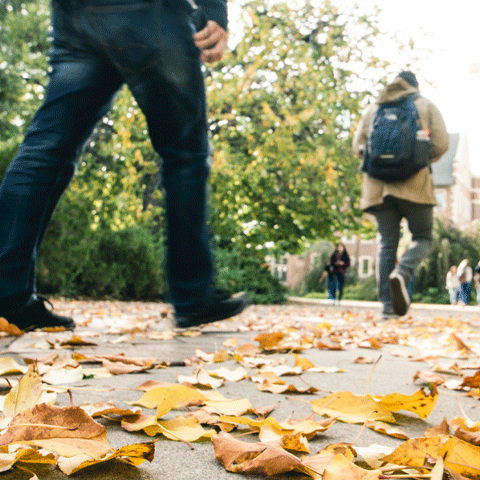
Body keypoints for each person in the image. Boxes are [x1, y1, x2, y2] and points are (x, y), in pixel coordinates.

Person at [0, 0, 249, 330]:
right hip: (147, 13)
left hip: (75, 17)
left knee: (46, 150)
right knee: (184, 154)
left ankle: (8, 293)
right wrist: (215, 12)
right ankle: (193, 297)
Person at [353, 71, 449, 319]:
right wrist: (418, 159)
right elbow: (441, 144)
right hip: (414, 185)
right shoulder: (425, 105)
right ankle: (402, 272)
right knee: (423, 237)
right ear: (415, 85)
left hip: (379, 189)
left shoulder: (373, 109)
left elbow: (357, 147)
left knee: (387, 244)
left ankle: (387, 308)